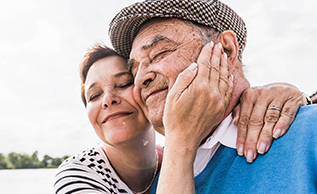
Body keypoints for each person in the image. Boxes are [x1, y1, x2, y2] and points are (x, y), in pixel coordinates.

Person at [108, 0, 317, 193]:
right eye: (133, 71)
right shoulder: (149, 185)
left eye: (160, 53)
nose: (141, 79)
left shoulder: (309, 132)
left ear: (226, 50)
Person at [53, 43, 306, 193]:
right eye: (94, 95)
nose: (108, 99)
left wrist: (289, 97)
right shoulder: (78, 174)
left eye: (124, 84)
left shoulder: (181, 157)